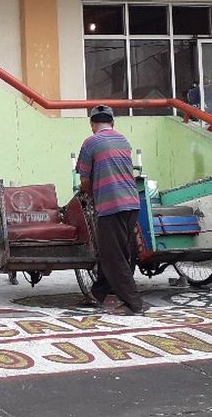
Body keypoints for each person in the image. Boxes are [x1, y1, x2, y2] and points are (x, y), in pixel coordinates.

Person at [77, 105, 146, 314]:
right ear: (112, 123)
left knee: (111, 256)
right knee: (120, 251)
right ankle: (97, 294)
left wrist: (87, 196)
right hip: (132, 203)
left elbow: (84, 179)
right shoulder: (123, 140)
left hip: (111, 205)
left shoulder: (90, 143)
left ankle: (134, 303)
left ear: (92, 125)